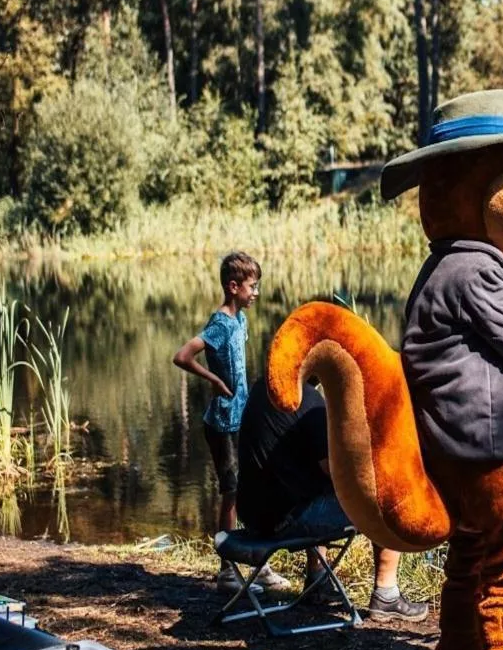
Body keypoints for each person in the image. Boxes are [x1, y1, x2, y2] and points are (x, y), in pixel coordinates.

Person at [237, 374, 429, 622]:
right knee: (387, 495)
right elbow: (340, 476)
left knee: (312, 485)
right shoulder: (310, 403)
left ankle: (317, 579)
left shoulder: (265, 386)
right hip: (283, 523)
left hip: (253, 517)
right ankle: (386, 595)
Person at [172, 251, 282, 594]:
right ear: (233, 287)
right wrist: (214, 381)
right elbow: (182, 356)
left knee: (254, 488)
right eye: (252, 287)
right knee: (231, 492)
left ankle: (257, 563)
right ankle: (227, 572)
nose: (256, 293)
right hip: (222, 424)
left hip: (243, 419)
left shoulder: (241, 321)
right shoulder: (220, 323)